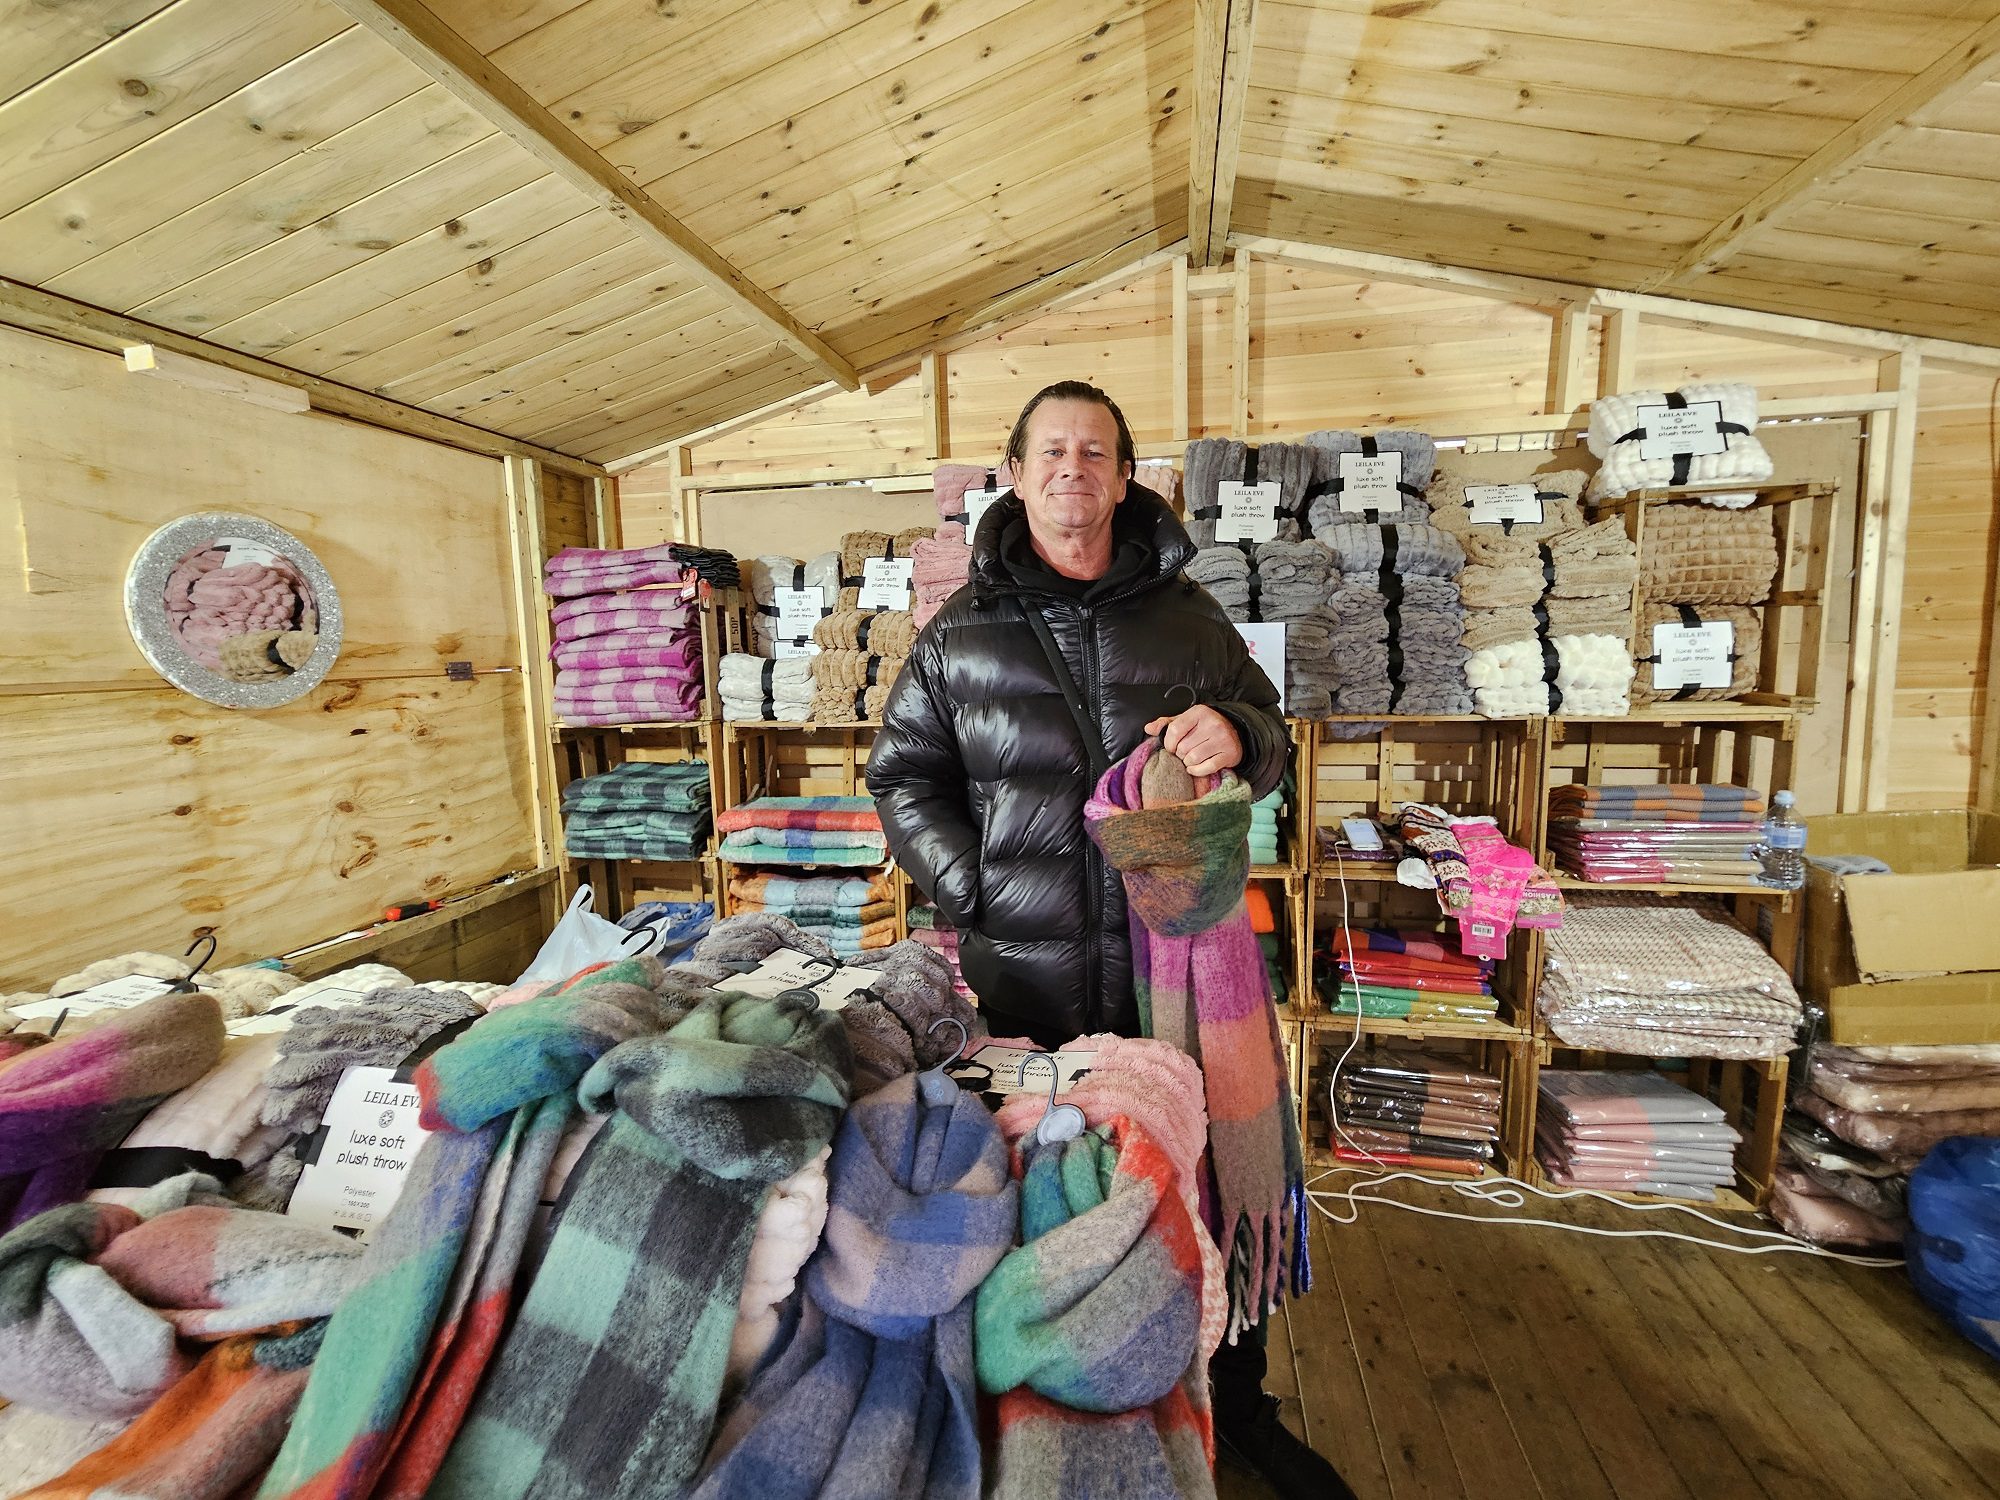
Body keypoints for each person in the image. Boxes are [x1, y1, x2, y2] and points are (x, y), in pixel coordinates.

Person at [867, 381, 1355, 1498]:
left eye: (1093, 451)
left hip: (1171, 973)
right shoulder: (961, 633)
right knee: (1056, 1189)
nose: (1070, 469)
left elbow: (1268, 737)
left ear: (1125, 475)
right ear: (1015, 471)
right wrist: (974, 890)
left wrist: (1234, 729)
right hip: (1020, 982)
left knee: (1206, 1181)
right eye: (1049, 450)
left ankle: (1237, 1397)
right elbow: (901, 775)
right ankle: (1067, 1411)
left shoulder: (1187, 616)